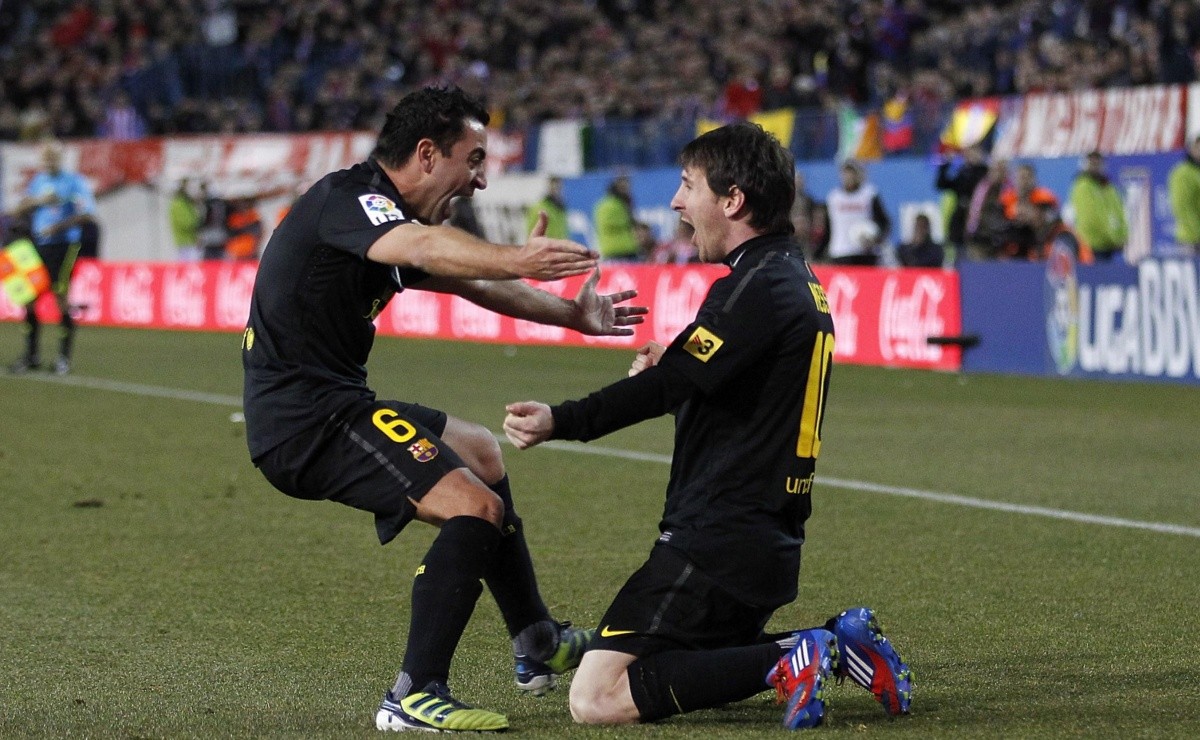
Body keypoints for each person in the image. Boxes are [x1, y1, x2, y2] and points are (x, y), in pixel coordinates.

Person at [241, 85, 647, 734]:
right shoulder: (354, 202)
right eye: (474, 159)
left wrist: (572, 315)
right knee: (474, 506)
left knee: (482, 453)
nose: (481, 181)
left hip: (336, 405)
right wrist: (521, 256)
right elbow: (429, 251)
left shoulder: (386, 217)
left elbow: (469, 280)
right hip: (308, 423)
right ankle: (414, 690)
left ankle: (535, 638)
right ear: (427, 155)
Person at [504, 123, 912, 730]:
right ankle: (835, 642)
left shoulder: (753, 287)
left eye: (687, 185)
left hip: (717, 537)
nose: (675, 202)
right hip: (764, 538)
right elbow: (724, 389)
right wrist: (675, 369)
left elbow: (672, 386)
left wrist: (560, 419)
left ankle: (793, 656)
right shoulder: (791, 279)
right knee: (692, 672)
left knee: (597, 696)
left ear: (732, 200)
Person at [8, 140, 96, 375]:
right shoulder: (39, 181)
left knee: (60, 297)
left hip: (65, 245)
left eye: (52, 158)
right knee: (29, 296)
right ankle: (31, 355)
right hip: (40, 245)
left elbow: (87, 214)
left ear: (60, 158)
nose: (48, 162)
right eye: (45, 159)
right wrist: (39, 201)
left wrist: (58, 226)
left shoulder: (74, 182)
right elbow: (21, 208)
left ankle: (63, 359)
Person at [824, 159, 890, 266]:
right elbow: (828, 228)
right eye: (846, 173)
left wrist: (876, 239)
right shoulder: (834, 198)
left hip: (865, 253)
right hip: (841, 252)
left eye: (852, 173)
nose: (849, 177)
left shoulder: (869, 194)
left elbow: (884, 222)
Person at [1068, 151, 1127, 262]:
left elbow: (1120, 213)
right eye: (1092, 163)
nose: (1095, 167)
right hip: (1093, 246)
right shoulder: (1083, 186)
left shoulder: (1109, 187)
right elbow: (1089, 219)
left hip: (1111, 246)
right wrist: (1112, 239)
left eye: (1098, 164)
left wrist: (1122, 236)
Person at [934, 144, 989, 258]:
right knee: (958, 253)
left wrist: (975, 166)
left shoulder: (984, 172)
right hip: (960, 219)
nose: (971, 155)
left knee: (976, 254)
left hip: (978, 219)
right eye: (969, 152)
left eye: (974, 152)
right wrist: (946, 164)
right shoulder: (963, 172)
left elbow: (978, 185)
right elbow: (942, 185)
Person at [998, 163, 1058, 259]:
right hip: (1013, 249)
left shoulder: (1044, 198)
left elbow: (1053, 224)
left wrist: (1034, 218)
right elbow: (999, 224)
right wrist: (1015, 220)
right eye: (1021, 177)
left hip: (1038, 247)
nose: (1024, 181)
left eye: (1027, 177)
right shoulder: (1007, 199)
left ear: (1033, 179)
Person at [593, 174, 641, 262]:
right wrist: (629, 222)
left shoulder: (624, 202)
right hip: (614, 250)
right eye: (623, 186)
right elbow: (606, 223)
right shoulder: (606, 204)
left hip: (628, 248)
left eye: (627, 186)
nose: (626, 189)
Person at [1168, 134, 1200, 256]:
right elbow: (1182, 207)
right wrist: (1195, 234)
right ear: (1192, 149)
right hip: (1191, 240)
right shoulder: (1183, 173)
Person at [525, 175, 568, 240]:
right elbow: (531, 232)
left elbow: (564, 232)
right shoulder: (538, 208)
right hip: (545, 247)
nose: (556, 190)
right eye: (553, 187)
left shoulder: (561, 208)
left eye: (559, 187)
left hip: (559, 247)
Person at [169, 178, 202, 262]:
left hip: (189, 241)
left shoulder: (186, 203)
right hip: (185, 243)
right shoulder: (179, 204)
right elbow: (187, 223)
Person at [197, 180, 229, 261]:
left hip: (212, 239)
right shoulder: (221, 205)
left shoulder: (209, 206)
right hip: (218, 238)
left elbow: (205, 222)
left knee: (211, 262)